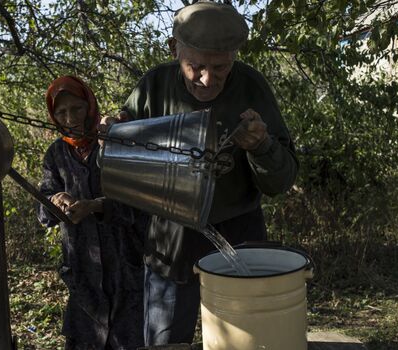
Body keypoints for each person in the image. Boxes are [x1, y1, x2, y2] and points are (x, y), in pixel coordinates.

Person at [101, 1, 299, 346]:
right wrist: (113, 135)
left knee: (245, 341)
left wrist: (261, 145)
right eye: (196, 66)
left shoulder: (251, 87)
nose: (207, 79)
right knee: (165, 343)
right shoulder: (153, 87)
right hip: (170, 246)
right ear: (174, 48)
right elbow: (118, 157)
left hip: (239, 241)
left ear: (235, 55)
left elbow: (280, 181)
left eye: (220, 66)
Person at [37, 76, 145, 350]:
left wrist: (95, 206)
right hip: (82, 267)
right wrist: (56, 200)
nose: (70, 118)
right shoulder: (56, 154)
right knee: (86, 340)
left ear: (90, 106)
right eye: (61, 112)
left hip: (124, 264)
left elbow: (136, 205)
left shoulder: (111, 144)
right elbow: (43, 210)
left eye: (77, 109)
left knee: (128, 339)